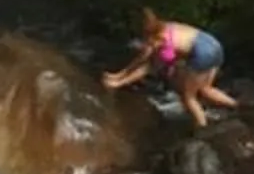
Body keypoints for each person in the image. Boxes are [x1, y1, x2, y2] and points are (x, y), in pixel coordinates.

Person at [101, 8, 240, 128]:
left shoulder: (163, 42)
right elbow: (147, 58)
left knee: (188, 97)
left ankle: (202, 126)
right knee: (205, 88)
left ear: (151, 36)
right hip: (214, 45)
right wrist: (119, 74)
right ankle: (236, 105)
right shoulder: (168, 26)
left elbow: (147, 65)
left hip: (203, 54)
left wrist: (119, 80)